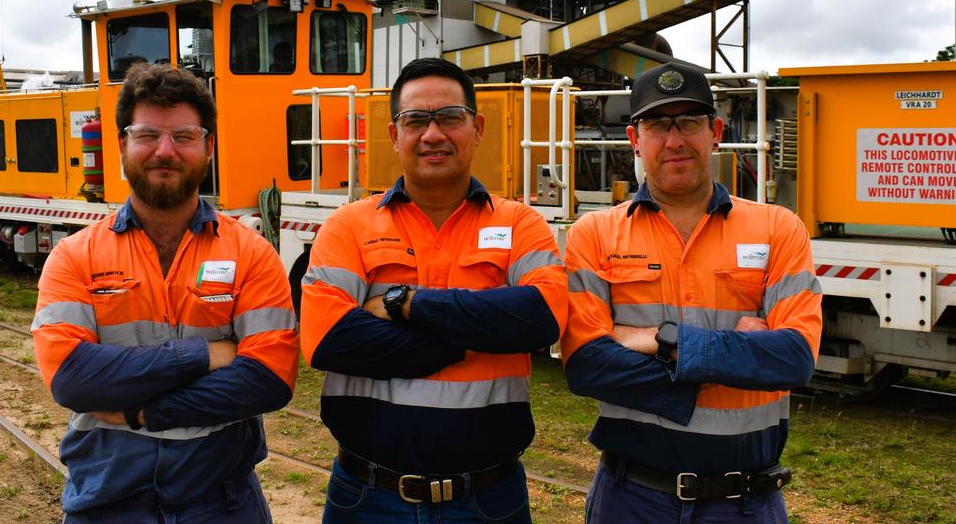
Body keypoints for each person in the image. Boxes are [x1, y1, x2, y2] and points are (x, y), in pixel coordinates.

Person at [300, 57, 568, 523]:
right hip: (367, 496)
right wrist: (478, 334)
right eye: (416, 120)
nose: (433, 134)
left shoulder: (520, 223)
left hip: (489, 497)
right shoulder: (348, 225)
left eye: (449, 118)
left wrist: (402, 303)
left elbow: (540, 319)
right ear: (394, 134)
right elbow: (327, 342)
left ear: (477, 127)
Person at [32, 64, 298, 523]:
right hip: (108, 504)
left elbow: (268, 380)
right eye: (147, 135)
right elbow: (71, 378)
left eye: (183, 136)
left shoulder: (251, 253)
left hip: (222, 505)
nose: (164, 151)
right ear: (121, 145)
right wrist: (205, 356)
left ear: (208, 147)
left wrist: (142, 412)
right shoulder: (74, 256)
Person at [561, 61, 822, 523]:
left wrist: (660, 340)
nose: (675, 139)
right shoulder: (595, 234)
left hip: (744, 503)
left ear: (715, 131)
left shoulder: (777, 229)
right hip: (630, 499)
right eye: (658, 124)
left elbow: (793, 358)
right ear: (634, 140)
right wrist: (734, 355)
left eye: (690, 122)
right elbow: (587, 368)